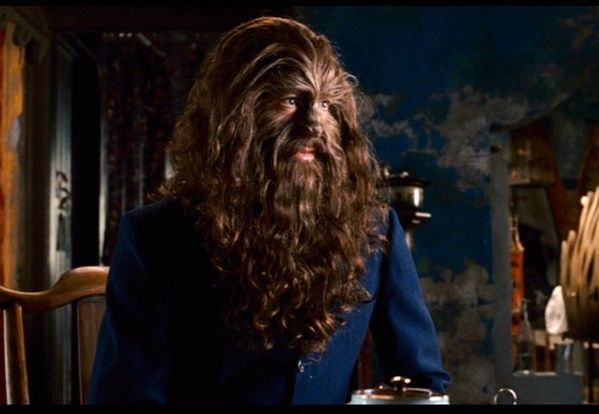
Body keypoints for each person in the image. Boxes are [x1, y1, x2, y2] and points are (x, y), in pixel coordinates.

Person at [89, 16, 451, 405]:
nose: (314, 125)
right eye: (290, 101)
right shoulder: (156, 235)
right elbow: (127, 396)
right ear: (235, 114)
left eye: (326, 105)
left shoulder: (375, 230)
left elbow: (422, 381)